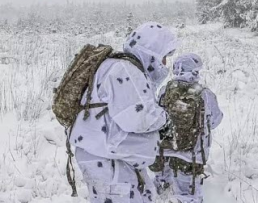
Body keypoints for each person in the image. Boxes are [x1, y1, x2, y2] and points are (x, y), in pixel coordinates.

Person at [70, 22, 179, 203]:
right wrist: (165, 121)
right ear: (151, 51)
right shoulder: (125, 70)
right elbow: (140, 117)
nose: (164, 64)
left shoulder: (117, 66)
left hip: (110, 158)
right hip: (109, 162)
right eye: (163, 57)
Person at [152, 53, 223, 203]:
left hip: (164, 149)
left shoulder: (165, 90)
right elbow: (216, 119)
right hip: (191, 154)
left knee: (160, 187)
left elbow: (155, 116)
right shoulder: (205, 93)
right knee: (187, 195)